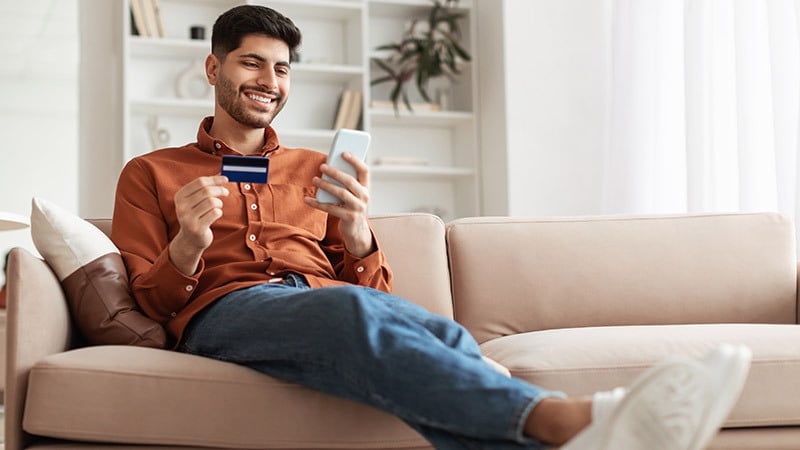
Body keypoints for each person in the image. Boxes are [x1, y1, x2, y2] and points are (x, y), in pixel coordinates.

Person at [111, 5, 752, 449]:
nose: (268, 82)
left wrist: (358, 230)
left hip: (328, 301)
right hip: (226, 312)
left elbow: (375, 293)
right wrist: (188, 245)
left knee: (445, 333)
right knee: (351, 317)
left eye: (281, 70)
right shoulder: (151, 171)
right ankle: (571, 420)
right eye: (252, 64)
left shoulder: (315, 167)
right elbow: (150, 302)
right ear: (214, 68)